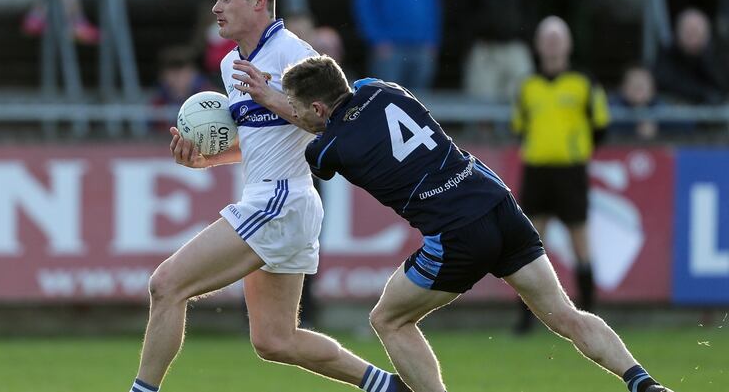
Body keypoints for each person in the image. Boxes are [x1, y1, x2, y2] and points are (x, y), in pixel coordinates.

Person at [271, 54, 674, 392]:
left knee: (387, 319)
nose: (296, 112)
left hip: (457, 231)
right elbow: (350, 96)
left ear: (319, 109)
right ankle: (642, 381)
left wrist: (266, 99)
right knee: (565, 315)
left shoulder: (328, 149)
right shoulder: (382, 87)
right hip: (495, 202)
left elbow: (315, 134)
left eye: (298, 106)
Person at [129, 0, 409, 392]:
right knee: (275, 340)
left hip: (282, 198)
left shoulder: (297, 56)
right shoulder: (230, 66)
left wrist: (269, 94)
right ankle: (387, 386)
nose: (215, 8)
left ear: (259, 1)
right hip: (278, 201)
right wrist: (202, 161)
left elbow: (336, 126)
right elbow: (259, 143)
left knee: (166, 285)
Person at [511, 16, 610, 333]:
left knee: (580, 240)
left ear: (568, 44)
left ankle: (591, 314)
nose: (552, 44)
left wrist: (573, 150)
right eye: (547, 38)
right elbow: (520, 127)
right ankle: (527, 319)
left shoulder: (583, 82)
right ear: (538, 45)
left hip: (570, 172)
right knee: (528, 245)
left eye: (558, 38)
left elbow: (600, 125)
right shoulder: (528, 86)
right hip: (537, 170)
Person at [353, 0, 441, 91]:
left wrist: (432, 40)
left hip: (421, 47)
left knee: (420, 104)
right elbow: (364, 4)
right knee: (388, 100)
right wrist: (377, 39)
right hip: (389, 48)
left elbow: (432, 3)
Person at [458, 0, 535, 102]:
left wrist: (526, 38)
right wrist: (471, 42)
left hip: (516, 46)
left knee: (523, 107)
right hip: (484, 48)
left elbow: (529, 3)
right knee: (482, 113)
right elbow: (463, 7)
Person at [653, 8, 728, 105]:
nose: (692, 36)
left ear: (707, 34)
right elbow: (666, 81)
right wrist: (704, 93)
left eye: (696, 31)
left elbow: (722, 84)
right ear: (677, 33)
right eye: (688, 31)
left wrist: (704, 58)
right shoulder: (667, 54)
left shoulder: (719, 54)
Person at [148, 46, 215, 133]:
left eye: (183, 73)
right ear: (163, 76)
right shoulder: (157, 103)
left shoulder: (210, 97)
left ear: (194, 73)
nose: (179, 79)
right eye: (173, 74)